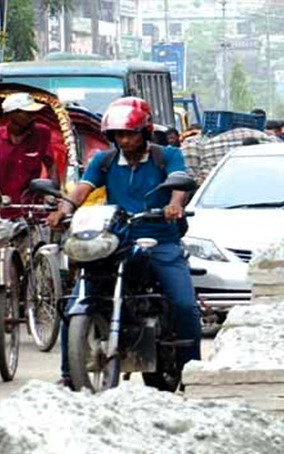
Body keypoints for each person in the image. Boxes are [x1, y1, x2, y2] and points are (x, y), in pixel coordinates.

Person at [47, 97, 201, 388]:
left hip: (160, 240)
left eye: (129, 133)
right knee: (76, 302)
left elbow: (179, 183)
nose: (124, 139)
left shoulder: (166, 156)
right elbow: (82, 189)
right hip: (117, 240)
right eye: (118, 134)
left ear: (145, 131)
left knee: (183, 304)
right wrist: (64, 210)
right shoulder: (103, 161)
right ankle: (69, 374)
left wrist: (174, 205)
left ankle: (191, 370)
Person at [0, 92, 57, 203]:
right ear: (11, 114)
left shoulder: (42, 133)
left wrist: (52, 193)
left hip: (32, 205)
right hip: (2, 204)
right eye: (28, 113)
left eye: (34, 113)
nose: (34, 117)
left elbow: (51, 164)